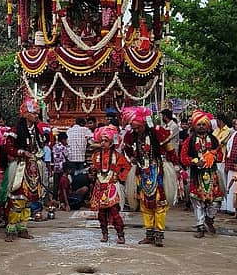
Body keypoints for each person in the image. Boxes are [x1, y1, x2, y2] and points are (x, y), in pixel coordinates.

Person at [122, 106, 177, 247]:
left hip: (158, 171)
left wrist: (176, 165)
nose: (135, 130)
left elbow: (169, 148)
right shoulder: (130, 135)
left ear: (144, 124)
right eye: (133, 127)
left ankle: (159, 235)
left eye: (137, 127)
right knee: (144, 204)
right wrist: (132, 158)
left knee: (160, 202)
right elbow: (127, 148)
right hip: (141, 173)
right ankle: (149, 235)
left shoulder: (157, 132)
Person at [3, 98, 45, 242]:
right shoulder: (15, 130)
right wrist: (21, 152)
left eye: (37, 113)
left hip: (33, 168)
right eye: (34, 113)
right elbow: (8, 148)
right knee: (18, 199)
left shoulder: (37, 130)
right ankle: (11, 229)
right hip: (20, 167)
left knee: (28, 200)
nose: (36, 116)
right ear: (26, 114)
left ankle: (23, 228)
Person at [182, 110, 224, 239]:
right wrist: (195, 161)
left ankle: (209, 219)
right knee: (197, 201)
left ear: (208, 126)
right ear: (194, 126)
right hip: (197, 174)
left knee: (216, 202)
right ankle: (200, 226)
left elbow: (221, 156)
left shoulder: (214, 139)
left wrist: (213, 155)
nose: (201, 126)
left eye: (203, 124)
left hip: (212, 174)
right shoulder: (189, 140)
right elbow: (183, 157)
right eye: (198, 124)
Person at [89, 125, 130, 244]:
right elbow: (95, 170)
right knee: (101, 214)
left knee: (114, 212)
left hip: (112, 186)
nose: (103, 143)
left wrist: (120, 176)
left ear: (112, 143)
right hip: (99, 186)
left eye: (106, 141)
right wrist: (92, 172)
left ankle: (120, 235)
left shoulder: (117, 156)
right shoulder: (96, 156)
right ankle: (104, 234)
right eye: (101, 140)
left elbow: (127, 167)